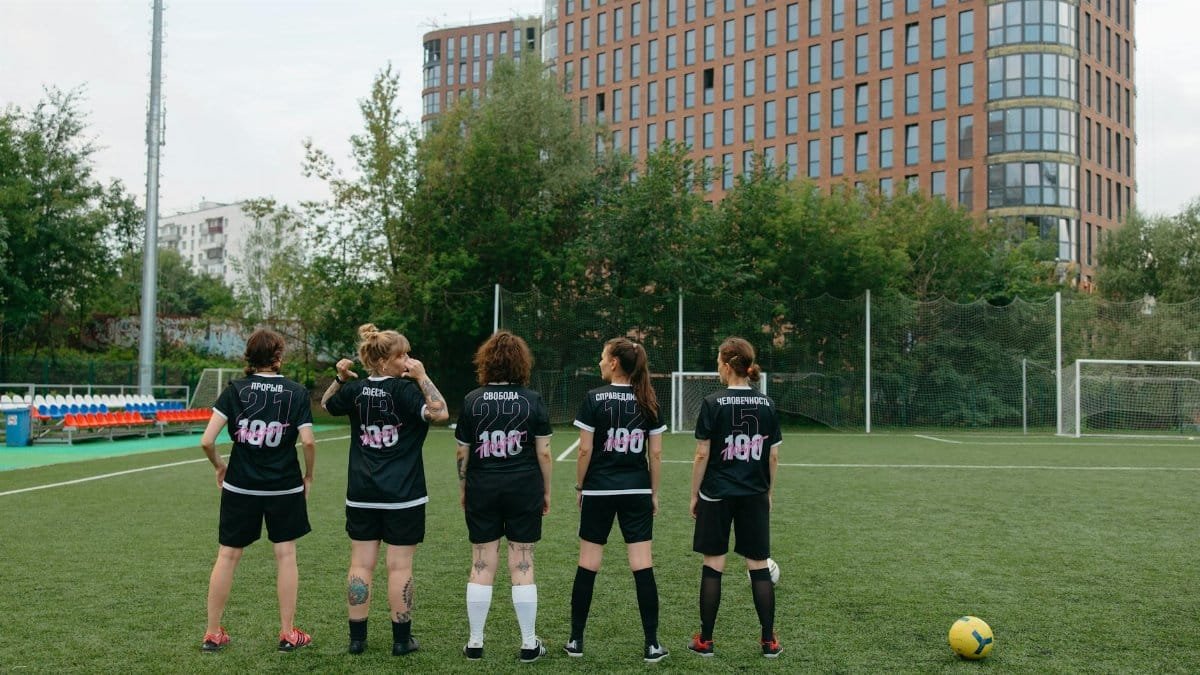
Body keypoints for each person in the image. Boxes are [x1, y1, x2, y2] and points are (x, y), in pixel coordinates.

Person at [321, 323, 450, 656]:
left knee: (361, 565)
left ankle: (357, 640)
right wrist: (422, 376)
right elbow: (440, 412)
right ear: (382, 361)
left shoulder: (357, 389)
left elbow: (326, 403)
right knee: (399, 567)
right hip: (403, 495)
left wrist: (340, 378)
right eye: (401, 355)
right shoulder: (407, 390)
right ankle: (400, 639)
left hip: (362, 493)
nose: (408, 360)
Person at [200, 328, 317, 653]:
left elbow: (207, 441)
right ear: (278, 357)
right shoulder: (295, 392)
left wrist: (220, 466)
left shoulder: (235, 390)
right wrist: (309, 476)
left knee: (227, 555)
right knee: (285, 554)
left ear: (249, 358)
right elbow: (308, 441)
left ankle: (212, 633)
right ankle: (287, 633)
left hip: (241, 486)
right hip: (284, 486)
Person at [565, 337, 669, 663]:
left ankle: (575, 641)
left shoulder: (594, 398)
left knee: (588, 564)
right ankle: (652, 644)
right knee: (642, 565)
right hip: (636, 490)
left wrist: (581, 486)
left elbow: (585, 450)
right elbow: (656, 453)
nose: (599, 362)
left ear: (613, 363)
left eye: (601, 356)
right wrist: (653, 493)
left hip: (599, 490)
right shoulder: (648, 399)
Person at [453, 330, 553, 663]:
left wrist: (463, 487)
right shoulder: (533, 399)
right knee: (522, 561)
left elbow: (462, 452)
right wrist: (546, 490)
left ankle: (475, 642)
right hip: (524, 486)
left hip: (483, 486)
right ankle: (528, 644)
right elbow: (545, 453)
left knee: (481, 562)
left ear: (487, 362)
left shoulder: (472, 400)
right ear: (521, 363)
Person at [687, 337, 784, 659]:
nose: (717, 366)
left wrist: (694, 495)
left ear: (728, 365)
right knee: (758, 565)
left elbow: (702, 454)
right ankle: (769, 640)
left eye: (718, 361)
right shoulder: (767, 404)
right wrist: (767, 492)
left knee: (714, 563)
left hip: (716, 493)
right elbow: (773, 457)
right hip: (754, 493)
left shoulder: (713, 403)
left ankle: (707, 640)